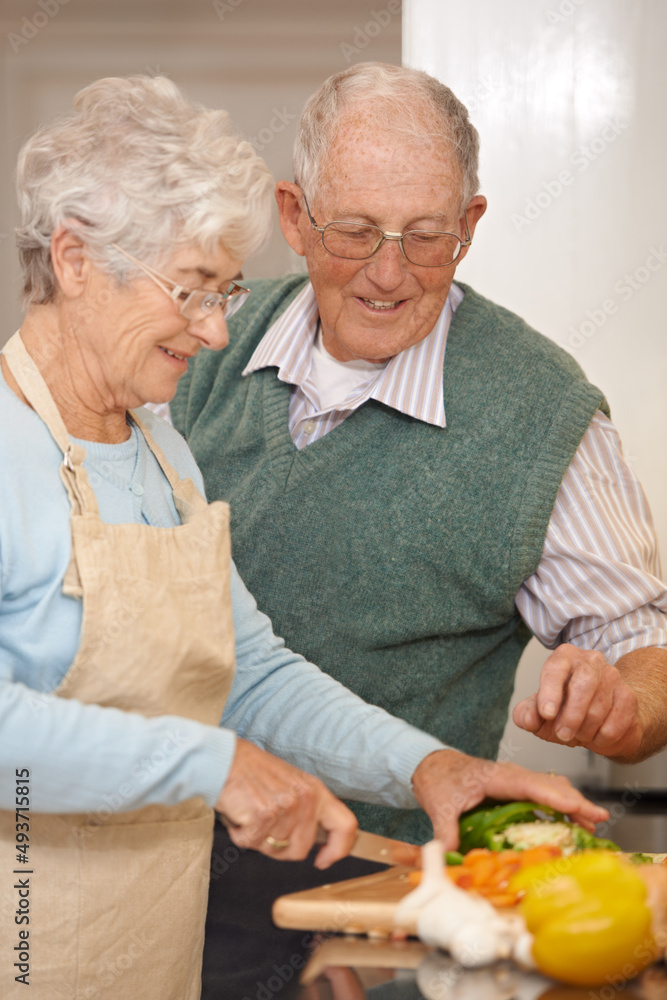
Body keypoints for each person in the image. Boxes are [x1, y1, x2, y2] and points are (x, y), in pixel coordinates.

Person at [0, 75, 605, 1000]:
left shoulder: (161, 448)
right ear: (76, 260)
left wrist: (429, 767)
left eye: (226, 293)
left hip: (153, 953)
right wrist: (216, 765)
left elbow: (246, 669)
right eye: (192, 293)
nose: (214, 333)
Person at [169, 62, 667, 994]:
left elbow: (643, 651)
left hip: (375, 915)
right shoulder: (199, 347)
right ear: (294, 215)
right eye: (354, 231)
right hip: (148, 871)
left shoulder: (542, 411)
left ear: (470, 227)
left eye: (427, 236)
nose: (389, 273)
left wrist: (622, 705)